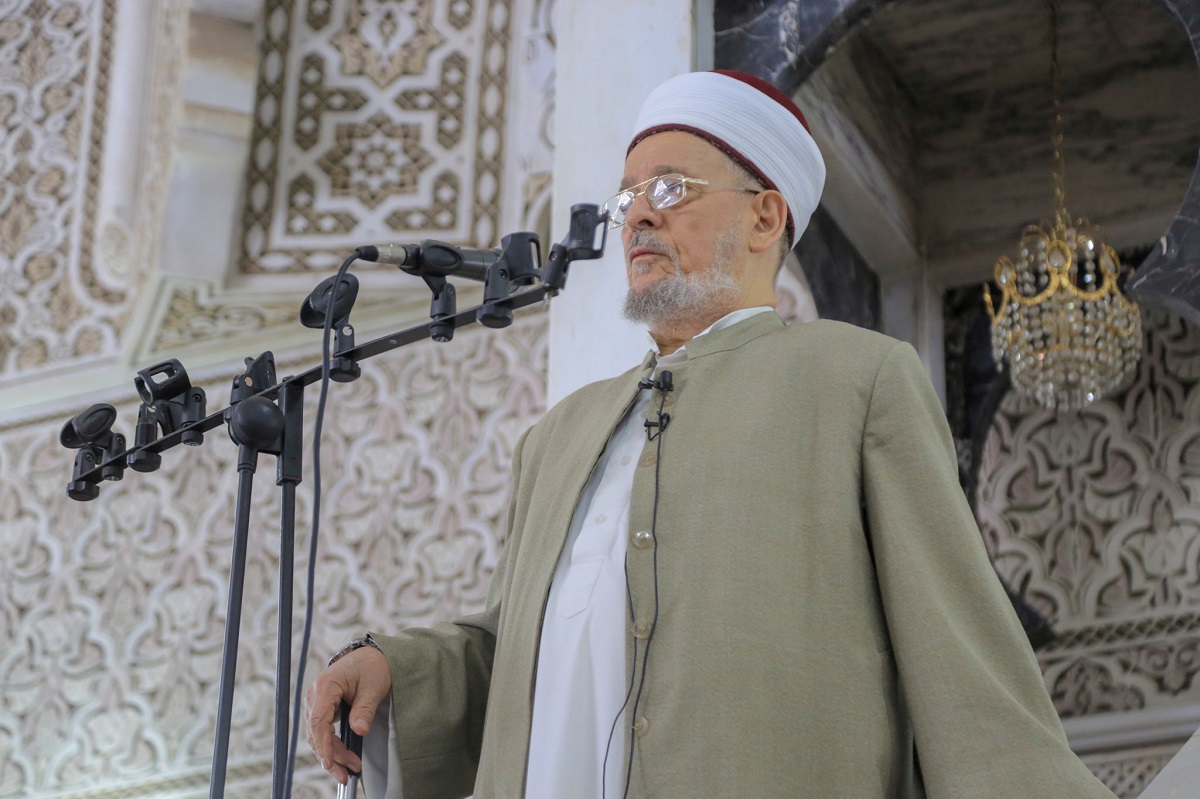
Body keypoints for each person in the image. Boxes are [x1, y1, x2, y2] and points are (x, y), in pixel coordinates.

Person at [306, 70, 1116, 798]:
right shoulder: (557, 437)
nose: (637, 216)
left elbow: (956, 646)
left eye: (669, 188)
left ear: (765, 215)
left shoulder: (855, 379)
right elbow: (512, 653)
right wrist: (398, 668)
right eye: (627, 198)